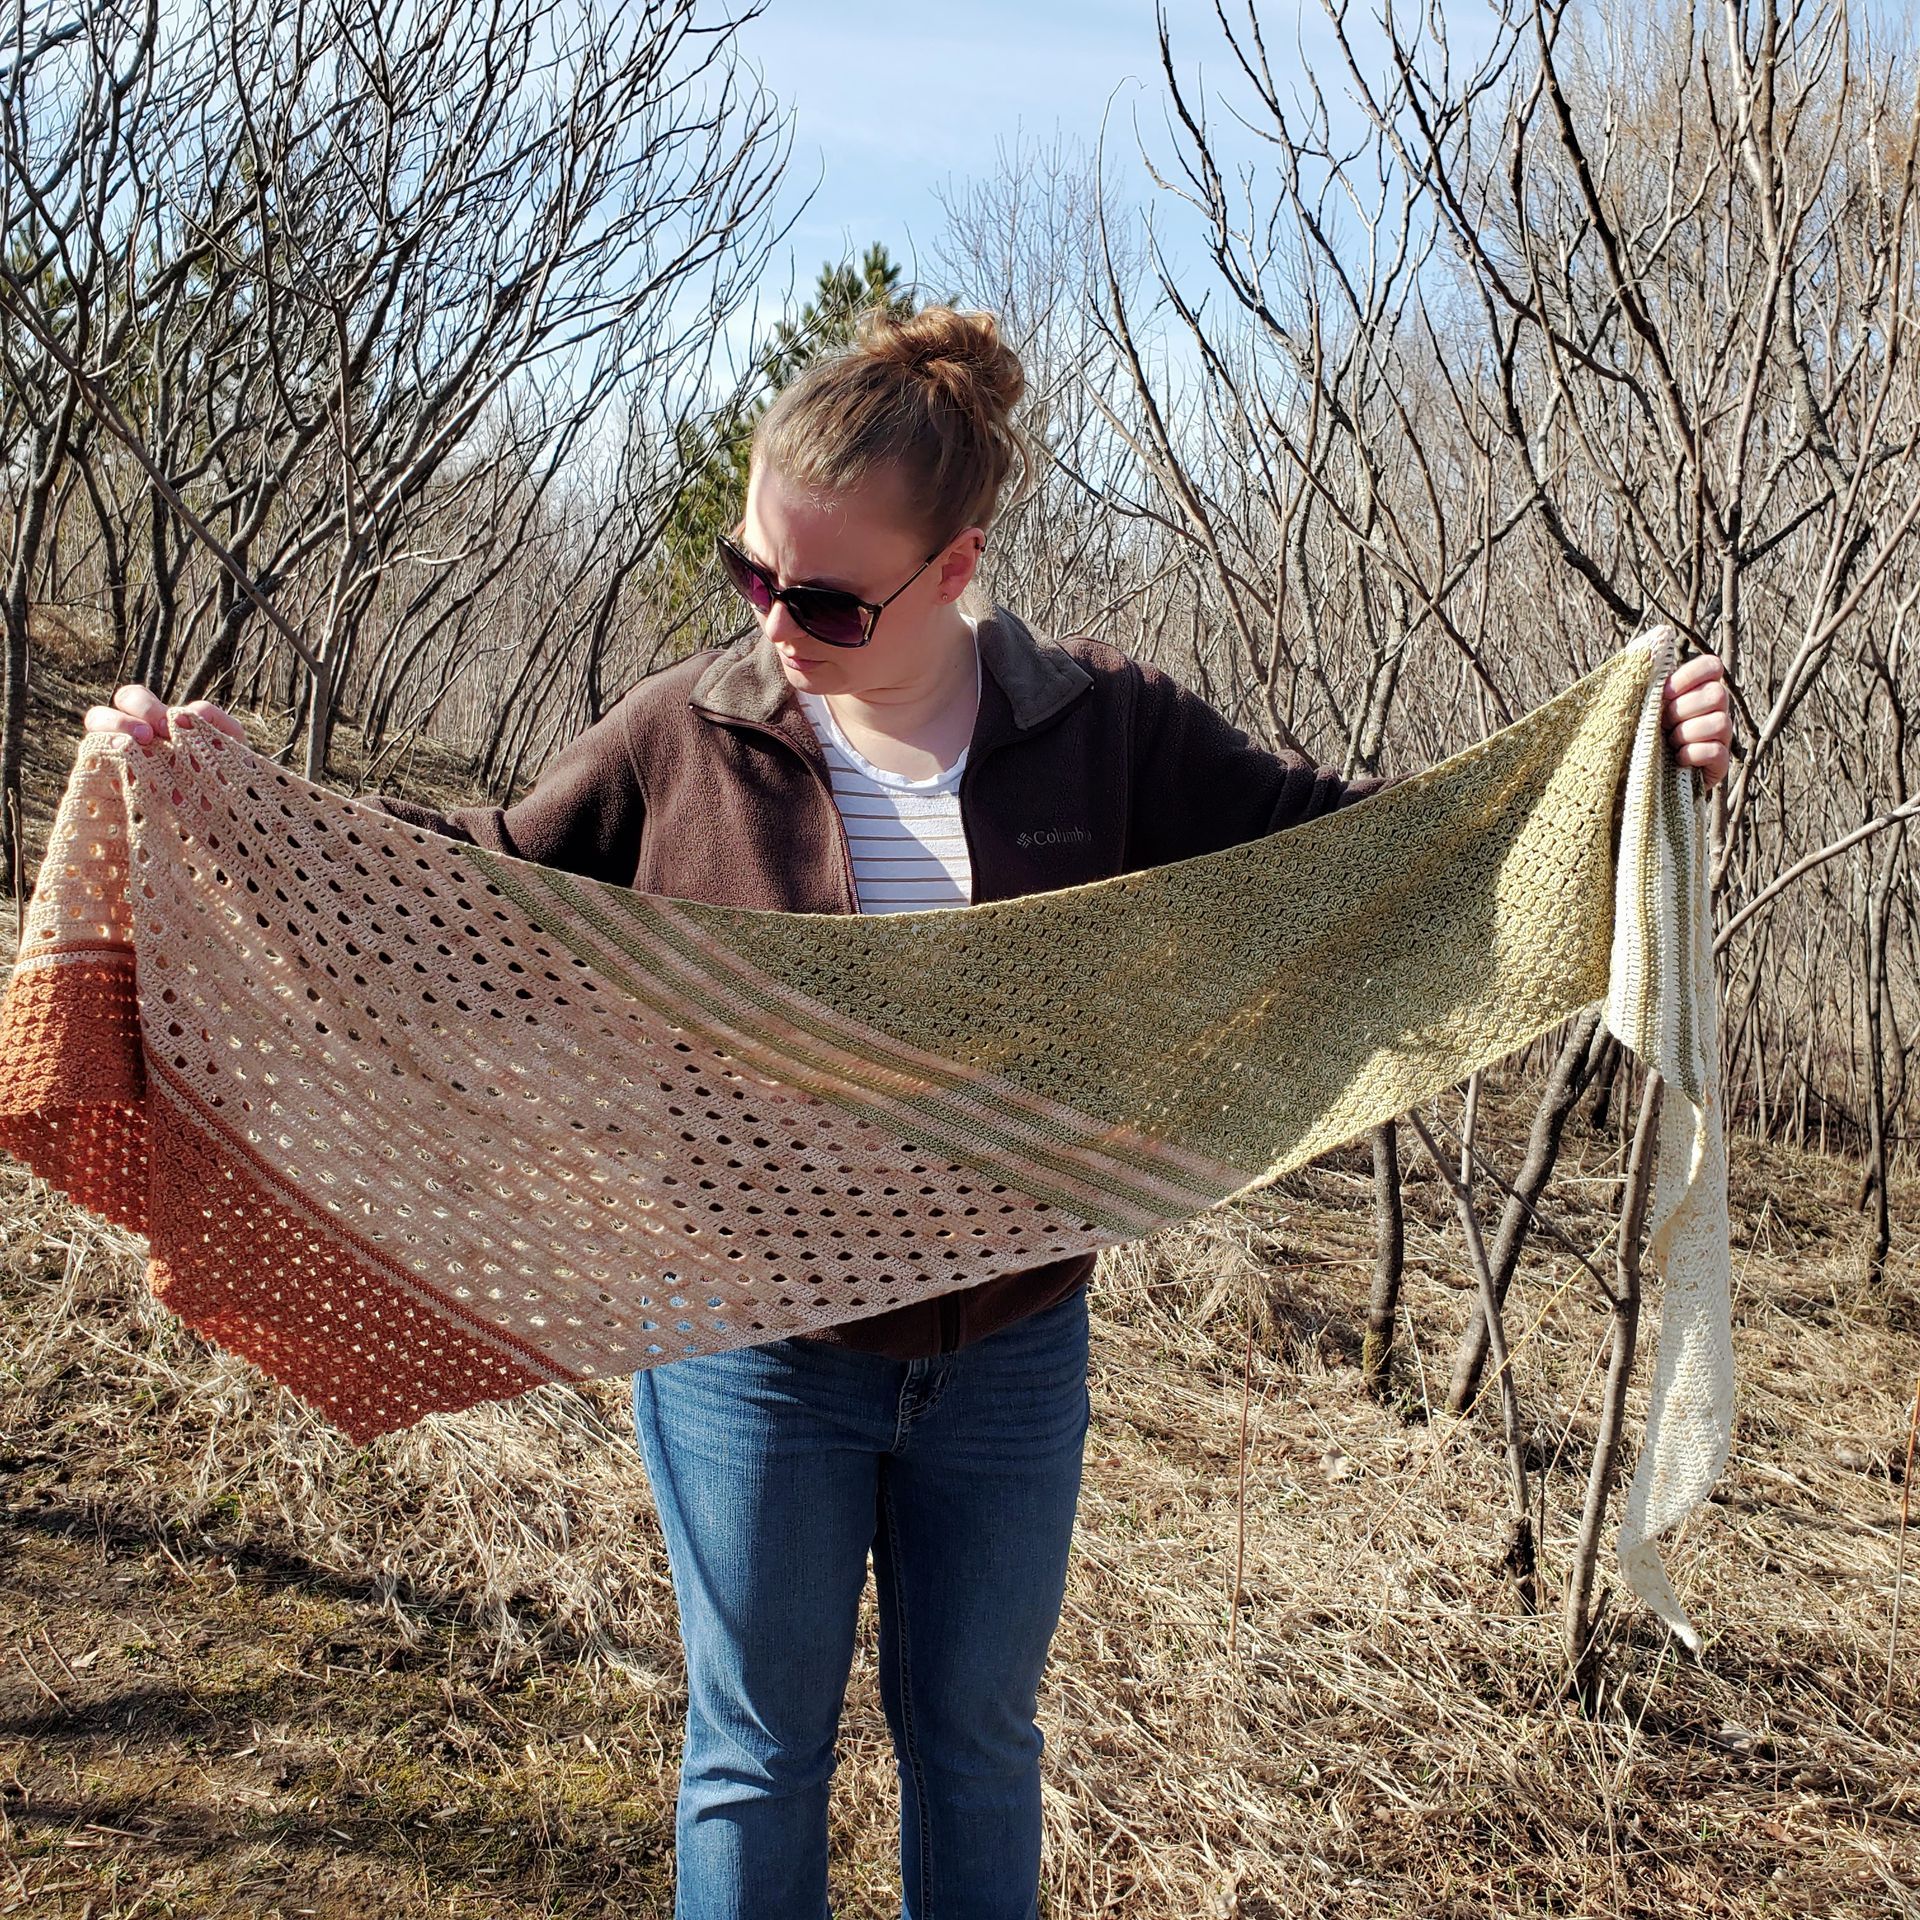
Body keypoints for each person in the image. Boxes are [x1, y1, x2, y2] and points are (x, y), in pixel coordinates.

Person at [87, 305, 1734, 1920]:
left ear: (956, 569)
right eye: (750, 573)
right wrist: (231, 800)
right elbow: (485, 891)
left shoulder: (1102, 731)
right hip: (751, 1356)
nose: (776, 622)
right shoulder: (692, 735)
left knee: (976, 1744)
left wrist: (1621, 762)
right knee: (753, 1753)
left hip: (1013, 1351)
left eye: (824, 597)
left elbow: (1360, 857)